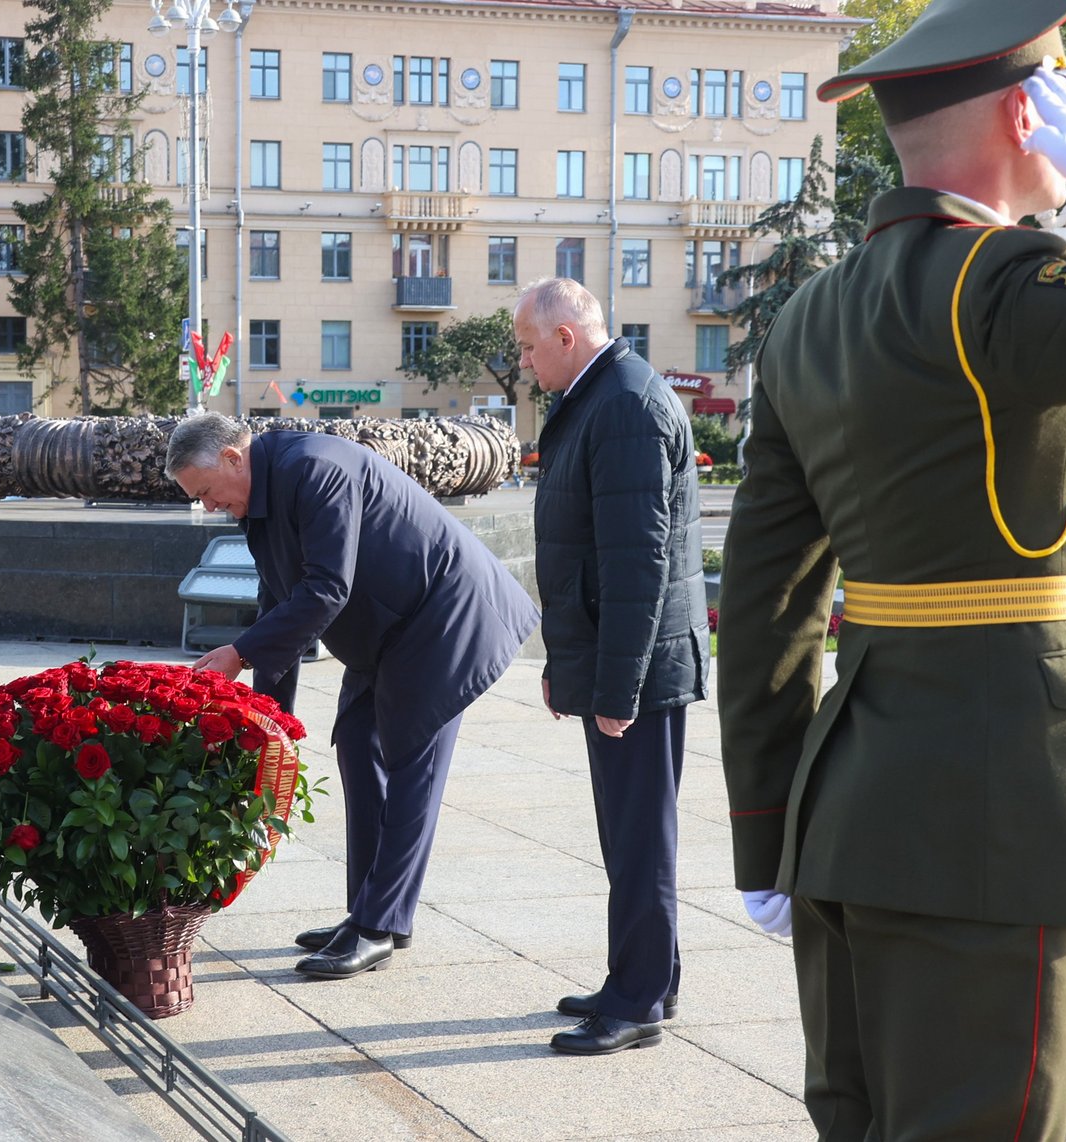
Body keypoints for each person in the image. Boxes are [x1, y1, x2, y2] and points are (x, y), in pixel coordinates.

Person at [716, 1, 1066, 1134]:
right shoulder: (996, 287)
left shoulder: (808, 318)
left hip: (842, 814)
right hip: (1002, 817)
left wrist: (764, 829)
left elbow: (763, 606)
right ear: (1025, 113)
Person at [170, 412, 539, 979]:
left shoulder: (315, 468)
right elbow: (278, 597)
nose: (208, 506)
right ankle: (371, 914)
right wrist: (270, 721)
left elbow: (325, 589)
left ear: (232, 458)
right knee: (358, 746)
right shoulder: (259, 494)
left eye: (205, 492)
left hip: (447, 617)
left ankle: (377, 927)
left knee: (412, 764)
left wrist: (240, 654)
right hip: (390, 628)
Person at [514, 278, 709, 1056]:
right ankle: (645, 978)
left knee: (638, 840)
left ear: (566, 337)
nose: (525, 362)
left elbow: (637, 564)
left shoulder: (625, 403)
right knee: (631, 836)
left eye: (529, 346)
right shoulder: (604, 395)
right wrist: (570, 666)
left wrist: (618, 686)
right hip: (621, 660)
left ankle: (637, 1001)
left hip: (641, 669)